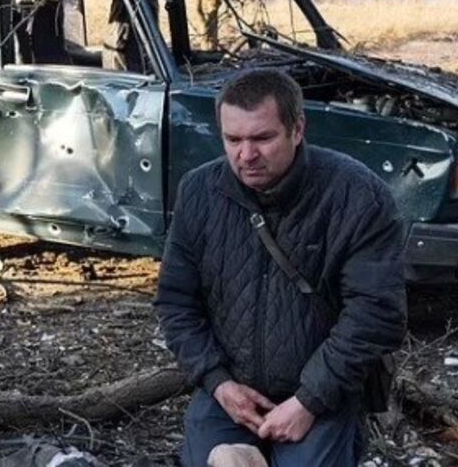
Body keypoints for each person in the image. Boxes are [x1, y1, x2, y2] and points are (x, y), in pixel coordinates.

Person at [154, 68, 407, 467]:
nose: (246, 155)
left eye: (263, 138)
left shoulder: (356, 195)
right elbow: (176, 302)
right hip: (231, 390)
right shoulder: (199, 191)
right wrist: (218, 384)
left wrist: (310, 400)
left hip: (323, 390)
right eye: (233, 140)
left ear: (297, 128)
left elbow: (376, 313)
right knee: (224, 461)